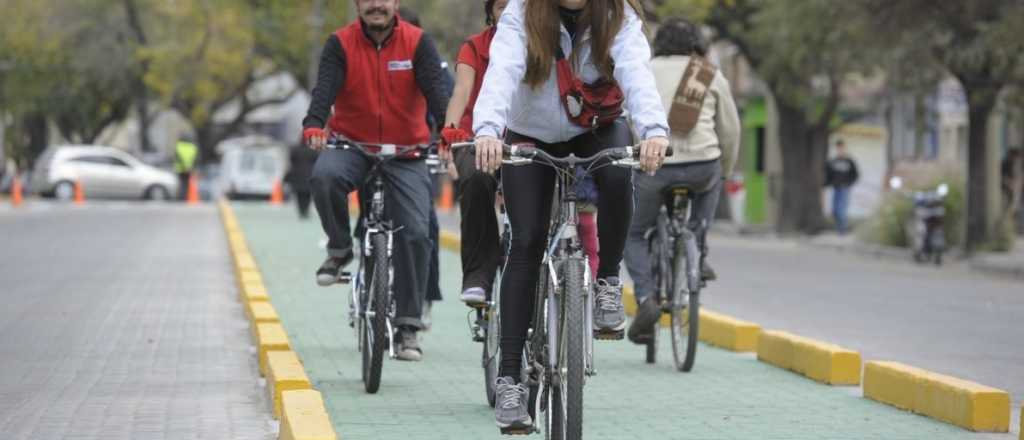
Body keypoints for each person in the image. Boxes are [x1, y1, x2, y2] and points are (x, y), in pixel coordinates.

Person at [472, 0, 670, 429]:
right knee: (526, 242)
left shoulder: (617, 14)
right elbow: (501, 71)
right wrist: (487, 130)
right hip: (531, 133)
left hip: (597, 128)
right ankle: (510, 380)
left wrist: (653, 131)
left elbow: (636, 71)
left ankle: (608, 281)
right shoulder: (522, 12)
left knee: (620, 176)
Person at [302, 0, 450, 361]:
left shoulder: (418, 42)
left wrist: (448, 130)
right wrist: (314, 122)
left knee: (416, 232)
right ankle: (339, 248)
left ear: (396, 3)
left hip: (406, 152)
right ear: (357, 4)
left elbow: (437, 92)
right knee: (324, 176)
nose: (376, 5)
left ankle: (408, 327)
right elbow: (324, 89)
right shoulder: (340, 43)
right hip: (352, 145)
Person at [622, 17, 740, 345]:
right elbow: (729, 131)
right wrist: (724, 171)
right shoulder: (707, 73)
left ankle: (646, 298)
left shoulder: (644, 69)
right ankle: (698, 252)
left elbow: (628, 117)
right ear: (696, 45)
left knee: (633, 233)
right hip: (703, 166)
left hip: (655, 164)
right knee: (705, 199)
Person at [439, 0, 509, 307]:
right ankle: (478, 276)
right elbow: (462, 91)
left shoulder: (545, 43)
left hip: (528, 139)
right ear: (490, 12)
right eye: (500, 7)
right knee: (478, 179)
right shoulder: (475, 47)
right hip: (476, 137)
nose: (508, 13)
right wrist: (449, 133)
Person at [825, 139, 859, 234]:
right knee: (835, 210)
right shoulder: (833, 161)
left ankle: (842, 230)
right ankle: (839, 228)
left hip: (845, 188)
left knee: (841, 209)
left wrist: (849, 183)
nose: (840, 150)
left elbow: (855, 174)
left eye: (842, 148)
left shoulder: (849, 161)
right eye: (838, 148)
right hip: (836, 188)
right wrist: (828, 183)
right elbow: (828, 175)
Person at [285, 140, 318, 219]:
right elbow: (316, 160)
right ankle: (306, 210)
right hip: (310, 174)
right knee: (308, 194)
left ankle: (301, 210)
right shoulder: (313, 150)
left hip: (297, 175)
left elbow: (291, 159)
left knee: (299, 195)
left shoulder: (295, 149)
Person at [174, 133, 198, 201]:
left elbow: (178, 157)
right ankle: (185, 197)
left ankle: (180, 197)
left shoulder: (179, 146)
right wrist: (190, 167)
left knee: (181, 183)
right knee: (187, 184)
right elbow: (195, 159)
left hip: (180, 169)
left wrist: (184, 166)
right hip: (190, 168)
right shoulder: (193, 147)